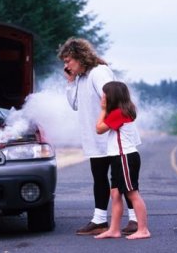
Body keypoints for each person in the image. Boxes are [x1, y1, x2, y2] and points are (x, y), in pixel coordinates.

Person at [58, 37, 138, 235]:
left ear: (79, 57)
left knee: (122, 180)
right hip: (95, 139)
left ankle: (135, 220)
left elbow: (114, 98)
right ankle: (100, 220)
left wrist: (110, 125)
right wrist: (70, 82)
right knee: (100, 179)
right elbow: (75, 104)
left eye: (68, 60)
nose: (66, 65)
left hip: (113, 136)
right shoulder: (81, 78)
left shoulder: (99, 72)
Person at [94, 81, 151, 240]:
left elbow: (98, 129)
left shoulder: (118, 113)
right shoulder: (122, 112)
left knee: (132, 194)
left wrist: (103, 109)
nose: (102, 97)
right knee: (115, 194)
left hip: (125, 157)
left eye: (104, 94)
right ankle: (114, 229)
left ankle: (143, 229)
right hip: (119, 157)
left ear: (111, 96)